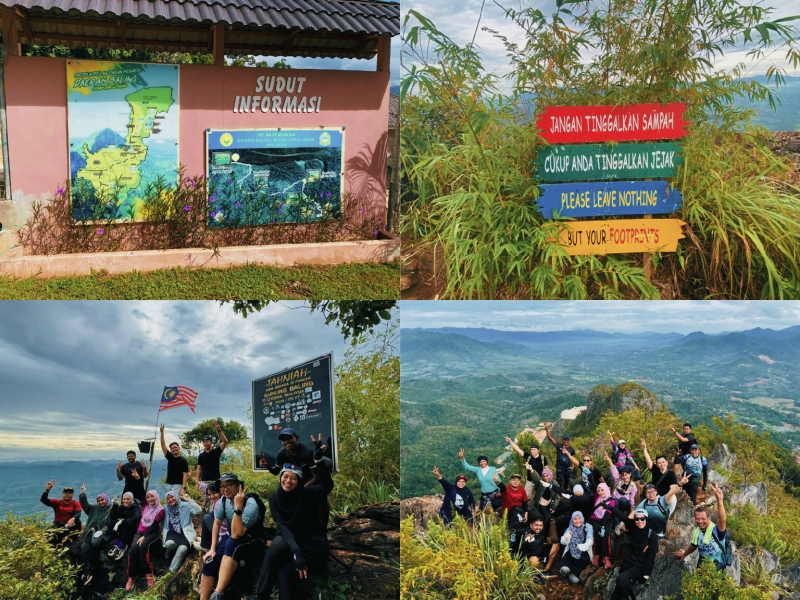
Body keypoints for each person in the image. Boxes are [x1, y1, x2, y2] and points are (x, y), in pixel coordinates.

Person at [255, 445, 334, 600]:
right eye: (285, 477)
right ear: (280, 478)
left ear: (298, 480)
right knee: (274, 549)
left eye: (293, 478)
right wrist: (296, 552)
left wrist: (318, 461)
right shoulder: (274, 499)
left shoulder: (308, 493)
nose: (288, 481)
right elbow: (283, 527)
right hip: (292, 540)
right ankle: (260, 596)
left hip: (312, 544)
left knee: (285, 573)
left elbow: (327, 486)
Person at [201, 473, 267, 600]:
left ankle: (217, 594)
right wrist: (213, 549)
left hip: (252, 538)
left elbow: (238, 534)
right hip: (232, 536)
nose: (225, 489)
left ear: (238, 486)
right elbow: (217, 522)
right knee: (210, 563)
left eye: (229, 485)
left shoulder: (251, 504)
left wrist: (238, 507)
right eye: (222, 486)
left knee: (232, 543)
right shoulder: (224, 500)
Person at [607, 506, 659, 600]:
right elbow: (622, 516)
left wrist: (646, 574)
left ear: (646, 519)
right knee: (619, 587)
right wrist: (608, 507)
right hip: (628, 561)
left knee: (620, 580)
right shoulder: (633, 527)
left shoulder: (651, 535)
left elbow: (651, 556)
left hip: (639, 565)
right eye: (637, 519)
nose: (640, 521)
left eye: (642, 518)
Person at [673, 482, 728, 570]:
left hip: (717, 568)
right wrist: (684, 554)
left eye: (703, 518)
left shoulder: (716, 531)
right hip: (702, 567)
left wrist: (719, 501)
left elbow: (722, 520)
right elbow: (694, 545)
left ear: (709, 518)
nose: (700, 521)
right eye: (697, 519)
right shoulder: (697, 532)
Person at [126, 490, 165, 591]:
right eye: (148, 497)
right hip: (140, 532)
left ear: (156, 497)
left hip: (153, 532)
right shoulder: (146, 507)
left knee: (143, 547)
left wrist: (144, 536)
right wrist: (140, 534)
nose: (150, 499)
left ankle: (148, 573)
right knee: (133, 549)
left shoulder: (160, 510)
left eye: (152, 496)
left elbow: (155, 525)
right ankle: (131, 576)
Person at [77, 484, 113, 585]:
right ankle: (86, 572)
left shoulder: (111, 509)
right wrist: (82, 495)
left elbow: (111, 523)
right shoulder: (94, 508)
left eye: (103, 500)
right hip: (91, 531)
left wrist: (103, 531)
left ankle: (93, 568)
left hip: (103, 533)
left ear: (107, 500)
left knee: (96, 545)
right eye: (99, 500)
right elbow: (85, 505)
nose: (101, 502)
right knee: (84, 547)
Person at [162, 491, 203, 572]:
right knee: (169, 544)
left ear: (176, 497)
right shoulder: (166, 508)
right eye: (168, 498)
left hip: (185, 533)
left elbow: (198, 511)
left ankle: (171, 570)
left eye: (172, 497)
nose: (170, 500)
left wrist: (190, 500)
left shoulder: (185, 505)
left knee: (182, 549)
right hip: (172, 532)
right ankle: (170, 549)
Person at [197, 422, 230, 513]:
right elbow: (199, 468)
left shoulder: (216, 452)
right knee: (207, 500)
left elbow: (225, 441)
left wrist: (219, 430)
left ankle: (217, 516)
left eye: (207, 441)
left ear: (211, 442)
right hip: (204, 481)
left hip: (215, 480)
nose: (205, 443)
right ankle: (209, 516)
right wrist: (198, 482)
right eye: (204, 442)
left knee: (216, 499)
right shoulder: (201, 456)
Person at [40, 479, 81, 546]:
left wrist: (73, 518)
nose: (68, 494)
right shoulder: (57, 502)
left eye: (70, 493)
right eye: (66, 493)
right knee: (48, 537)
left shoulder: (75, 503)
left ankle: (74, 540)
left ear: (73, 495)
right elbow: (43, 500)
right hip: (59, 525)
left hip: (70, 525)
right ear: (62, 494)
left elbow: (78, 513)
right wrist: (47, 490)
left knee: (78, 521)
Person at [459, 448, 501, 512]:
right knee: (481, 511)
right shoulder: (478, 470)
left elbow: (499, 481)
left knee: (497, 509)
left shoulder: (492, 469)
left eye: (484, 461)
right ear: (479, 463)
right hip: (484, 494)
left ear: (487, 461)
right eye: (480, 461)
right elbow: (467, 466)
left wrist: (500, 491)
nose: (482, 463)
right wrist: (462, 458)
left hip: (494, 492)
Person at [604, 453, 637, 535]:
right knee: (616, 501)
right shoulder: (619, 481)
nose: (624, 477)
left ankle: (620, 521)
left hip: (625, 503)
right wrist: (609, 461)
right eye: (622, 475)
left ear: (630, 474)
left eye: (626, 475)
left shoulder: (633, 486)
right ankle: (616, 525)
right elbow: (614, 471)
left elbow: (632, 498)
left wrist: (632, 509)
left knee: (622, 500)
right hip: (616, 501)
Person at [559, 511, 594, 585]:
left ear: (582, 518)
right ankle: (565, 574)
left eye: (579, 518)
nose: (577, 521)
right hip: (571, 555)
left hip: (583, 558)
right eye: (575, 519)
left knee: (575, 580)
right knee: (564, 569)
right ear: (572, 520)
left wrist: (584, 546)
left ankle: (571, 573)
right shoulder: (570, 527)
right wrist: (566, 539)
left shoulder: (588, 526)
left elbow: (590, 540)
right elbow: (562, 540)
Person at [525, 465, 560, 535]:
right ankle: (531, 533)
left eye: (547, 475)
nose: (546, 477)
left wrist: (554, 507)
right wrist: (532, 470)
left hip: (548, 505)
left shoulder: (554, 484)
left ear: (550, 475)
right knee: (542, 517)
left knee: (548, 517)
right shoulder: (541, 483)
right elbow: (536, 479)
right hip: (539, 505)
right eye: (544, 476)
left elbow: (557, 496)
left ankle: (545, 535)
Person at [108, 492, 142, 560]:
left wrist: (122, 521)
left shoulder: (137, 508)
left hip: (132, 530)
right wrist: (114, 505)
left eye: (128, 499)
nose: (125, 501)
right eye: (124, 499)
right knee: (110, 521)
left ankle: (122, 546)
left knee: (128, 523)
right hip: (123, 529)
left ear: (132, 499)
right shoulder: (122, 507)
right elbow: (113, 516)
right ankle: (116, 543)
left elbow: (136, 519)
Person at [589, 483, 615, 569]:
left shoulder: (611, 501)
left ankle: (606, 556)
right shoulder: (597, 497)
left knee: (605, 533)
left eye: (602, 490)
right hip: (595, 518)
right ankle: (597, 554)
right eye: (599, 490)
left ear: (607, 489)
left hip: (606, 519)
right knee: (596, 532)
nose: (600, 492)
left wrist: (603, 527)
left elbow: (608, 514)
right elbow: (592, 483)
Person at [194, 482, 225, 553]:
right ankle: (205, 541)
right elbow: (205, 487)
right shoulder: (223, 499)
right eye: (209, 495)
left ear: (220, 492)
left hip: (223, 533)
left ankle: (205, 546)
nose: (211, 496)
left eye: (214, 493)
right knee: (211, 514)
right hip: (223, 529)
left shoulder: (219, 503)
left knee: (206, 517)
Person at [160, 424, 189, 496]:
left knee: (174, 501)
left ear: (179, 448)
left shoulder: (183, 460)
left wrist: (184, 488)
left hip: (178, 485)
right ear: (171, 450)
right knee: (170, 501)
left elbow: (185, 475)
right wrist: (162, 433)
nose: (174, 449)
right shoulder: (170, 457)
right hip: (169, 484)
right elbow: (163, 445)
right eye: (172, 448)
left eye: (176, 447)